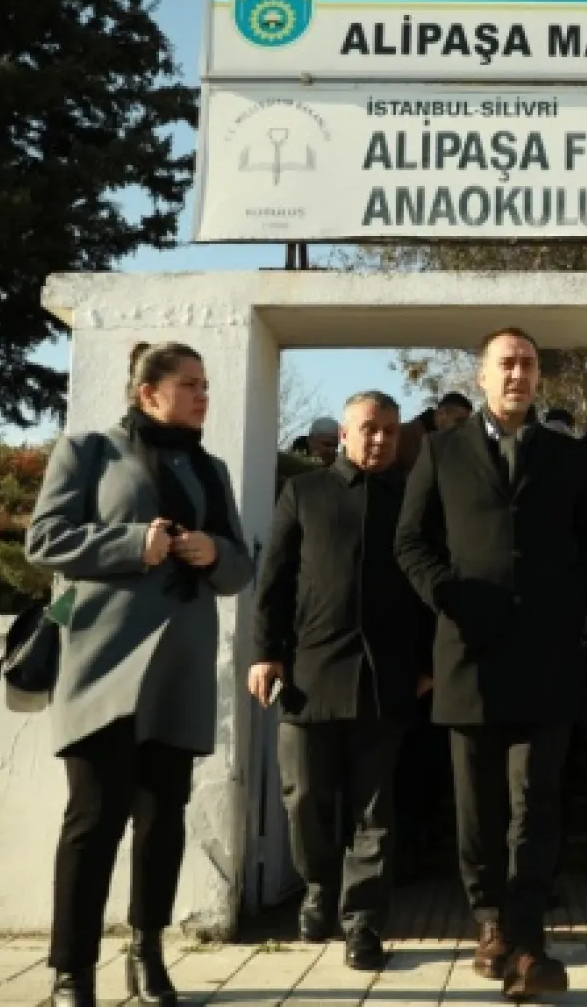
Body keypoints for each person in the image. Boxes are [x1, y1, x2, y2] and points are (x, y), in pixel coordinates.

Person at [26, 342, 253, 1007]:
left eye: (206, 384)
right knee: (94, 819)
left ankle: (147, 950)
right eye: (189, 383)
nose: (202, 394)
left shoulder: (210, 468)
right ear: (147, 391)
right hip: (102, 666)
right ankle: (72, 970)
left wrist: (214, 550)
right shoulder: (90, 451)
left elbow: (240, 569)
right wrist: (132, 542)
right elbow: (43, 539)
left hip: (178, 670)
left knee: (163, 819)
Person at [395, 327, 587, 1001]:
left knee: (535, 802)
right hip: (468, 654)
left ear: (538, 376)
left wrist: (569, 610)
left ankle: (527, 936)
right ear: (483, 376)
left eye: (528, 363)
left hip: (546, 659)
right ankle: (487, 921)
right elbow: (411, 540)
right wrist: (447, 593)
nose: (518, 373)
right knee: (478, 805)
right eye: (506, 364)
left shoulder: (569, 456)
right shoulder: (441, 449)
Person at [249, 390, 433, 970]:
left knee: (374, 812)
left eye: (388, 431)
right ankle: (318, 886)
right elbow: (274, 580)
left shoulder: (411, 502)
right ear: (345, 434)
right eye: (368, 429)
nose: (379, 440)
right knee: (304, 796)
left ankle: (363, 922)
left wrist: (427, 663)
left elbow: (430, 590)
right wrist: (265, 654)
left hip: (387, 679)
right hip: (309, 672)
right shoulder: (303, 492)